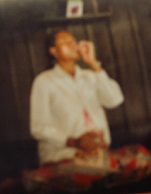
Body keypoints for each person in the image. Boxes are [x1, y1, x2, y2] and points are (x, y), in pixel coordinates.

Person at [29, 30, 125, 166]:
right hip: (62, 153)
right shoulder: (44, 81)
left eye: (74, 41)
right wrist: (74, 142)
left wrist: (94, 64)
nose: (72, 44)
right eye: (64, 42)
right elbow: (38, 127)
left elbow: (115, 100)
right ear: (53, 51)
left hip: (98, 151)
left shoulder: (91, 76)